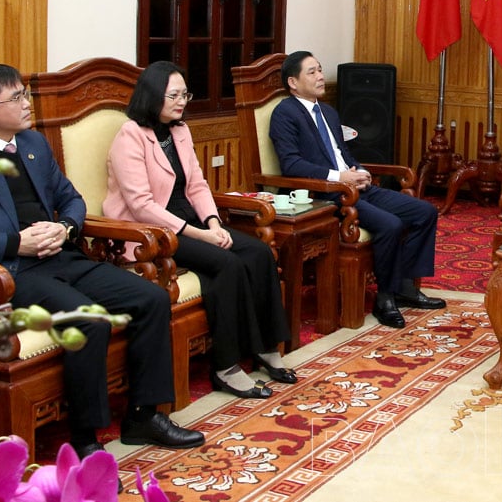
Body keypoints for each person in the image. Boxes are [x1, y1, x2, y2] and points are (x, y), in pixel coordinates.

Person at [0, 63, 204, 461]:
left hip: (62, 255)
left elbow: (71, 199)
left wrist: (66, 227)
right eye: (16, 97)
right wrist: (15, 242)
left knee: (150, 298)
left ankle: (143, 417)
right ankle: (85, 437)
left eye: (24, 94)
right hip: (10, 272)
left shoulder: (32, 144)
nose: (26, 103)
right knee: (87, 317)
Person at [102, 61, 296, 400]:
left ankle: (265, 347)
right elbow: (141, 205)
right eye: (173, 95)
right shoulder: (130, 136)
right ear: (151, 96)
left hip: (189, 218)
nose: (181, 101)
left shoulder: (179, 130)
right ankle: (226, 367)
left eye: (184, 94)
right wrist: (200, 235)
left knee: (259, 252)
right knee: (227, 263)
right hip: (152, 231)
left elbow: (197, 186)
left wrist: (213, 222)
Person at [269, 51, 444, 329]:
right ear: (293, 81)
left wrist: (359, 172)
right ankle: (385, 298)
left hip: (352, 186)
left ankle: (405, 287)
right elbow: (291, 164)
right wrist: (340, 178)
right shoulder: (285, 113)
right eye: (312, 72)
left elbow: (342, 153)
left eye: (320, 69)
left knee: (424, 212)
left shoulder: (327, 111)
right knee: (390, 225)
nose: (320, 76)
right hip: (325, 195)